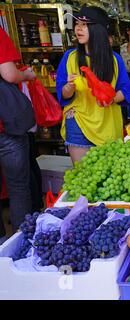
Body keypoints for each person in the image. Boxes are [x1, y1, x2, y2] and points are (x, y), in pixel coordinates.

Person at [56, 6, 130, 164]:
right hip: (78, 122)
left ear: (98, 30)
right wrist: (68, 88)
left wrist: (111, 99)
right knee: (83, 174)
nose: (78, 28)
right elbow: (62, 94)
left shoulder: (114, 60)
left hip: (108, 123)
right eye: (77, 24)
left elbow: (125, 91)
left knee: (110, 175)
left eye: (85, 25)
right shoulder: (69, 58)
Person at [0, 27, 35, 244]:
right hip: (6, 126)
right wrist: (27, 75)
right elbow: (10, 73)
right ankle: (21, 243)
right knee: (18, 186)